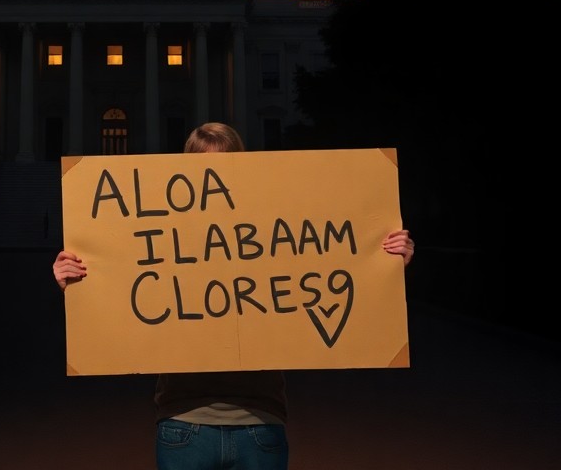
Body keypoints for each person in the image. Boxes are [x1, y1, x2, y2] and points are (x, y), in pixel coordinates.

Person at [53, 121, 415, 470]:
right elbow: (119, 290)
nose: (216, 181)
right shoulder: (158, 230)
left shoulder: (269, 222)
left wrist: (388, 259)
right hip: (184, 423)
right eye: (204, 169)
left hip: (260, 423)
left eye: (227, 166)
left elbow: (330, 260)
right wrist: (77, 280)